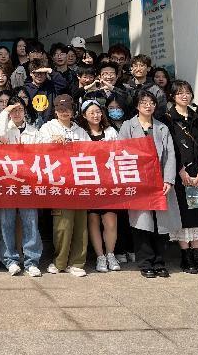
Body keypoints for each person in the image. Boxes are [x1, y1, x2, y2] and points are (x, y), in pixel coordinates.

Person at [118, 90, 180, 278]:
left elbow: (170, 155)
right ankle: (145, 263)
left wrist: (168, 179)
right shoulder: (128, 126)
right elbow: (121, 152)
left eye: (151, 102)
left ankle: (159, 262)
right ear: (137, 106)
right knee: (142, 223)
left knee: (161, 224)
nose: (148, 105)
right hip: (139, 182)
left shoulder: (162, 127)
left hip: (160, 182)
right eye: (144, 102)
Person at [162, 80, 198, 275]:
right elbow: (168, 148)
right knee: (183, 214)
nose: (184, 96)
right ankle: (185, 255)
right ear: (172, 96)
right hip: (179, 175)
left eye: (187, 92)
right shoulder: (167, 120)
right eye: (179, 93)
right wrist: (179, 170)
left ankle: (196, 253)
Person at [38, 94, 91, 276]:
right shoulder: (47, 128)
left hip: (79, 182)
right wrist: (52, 142)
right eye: (60, 109)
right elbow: (37, 149)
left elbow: (91, 150)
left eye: (67, 109)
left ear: (73, 110)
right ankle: (59, 261)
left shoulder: (80, 131)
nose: (64, 112)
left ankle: (77, 263)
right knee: (62, 224)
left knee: (80, 225)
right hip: (59, 182)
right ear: (55, 111)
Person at [0, 101, 43, 276]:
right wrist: (4, 112)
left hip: (28, 184)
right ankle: (10, 260)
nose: (17, 113)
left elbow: (43, 154)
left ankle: (31, 261)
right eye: (13, 111)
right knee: (6, 223)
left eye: (20, 110)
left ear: (25, 112)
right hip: (7, 183)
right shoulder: (5, 129)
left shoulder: (34, 132)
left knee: (30, 222)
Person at [76, 99, 121, 273]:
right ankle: (100, 256)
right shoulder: (80, 133)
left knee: (110, 221)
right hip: (89, 181)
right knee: (93, 220)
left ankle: (111, 254)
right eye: (91, 113)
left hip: (109, 182)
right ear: (84, 115)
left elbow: (119, 153)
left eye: (98, 112)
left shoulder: (111, 131)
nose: (96, 115)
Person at [24, 57, 69, 127]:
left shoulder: (52, 86)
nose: (39, 75)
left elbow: (63, 85)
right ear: (30, 73)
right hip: (31, 125)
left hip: (50, 125)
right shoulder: (25, 89)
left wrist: (50, 71)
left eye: (42, 72)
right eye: (36, 73)